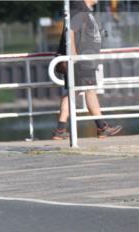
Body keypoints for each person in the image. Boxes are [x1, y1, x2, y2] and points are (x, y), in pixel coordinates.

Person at [53, 0, 123, 139]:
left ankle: (62, 130)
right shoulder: (79, 7)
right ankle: (101, 127)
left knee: (77, 91)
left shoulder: (83, 8)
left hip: (84, 59)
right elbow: (70, 30)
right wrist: (73, 55)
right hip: (81, 60)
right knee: (85, 91)